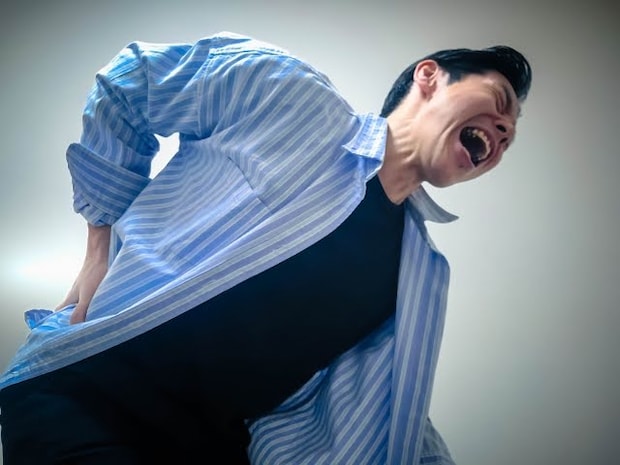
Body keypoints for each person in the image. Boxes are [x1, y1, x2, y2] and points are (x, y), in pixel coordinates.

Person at [0, 31, 531, 464]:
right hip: (85, 394)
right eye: (500, 103)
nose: (503, 133)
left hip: (211, 448)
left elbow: (394, 416)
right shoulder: (289, 94)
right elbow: (130, 82)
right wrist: (100, 241)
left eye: (508, 137)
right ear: (429, 76)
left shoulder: (419, 272)